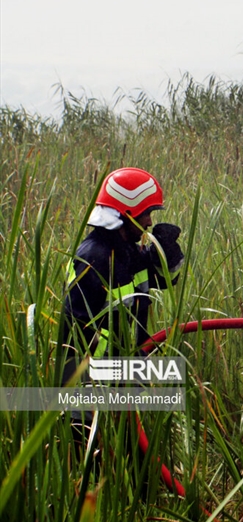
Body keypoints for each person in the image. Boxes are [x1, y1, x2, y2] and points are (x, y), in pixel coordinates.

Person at [59, 167, 184, 438]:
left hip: (124, 379)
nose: (150, 222)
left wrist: (166, 254)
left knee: (132, 464)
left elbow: (162, 280)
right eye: (145, 213)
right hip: (96, 388)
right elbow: (75, 338)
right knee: (100, 469)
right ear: (125, 214)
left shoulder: (128, 252)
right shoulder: (94, 259)